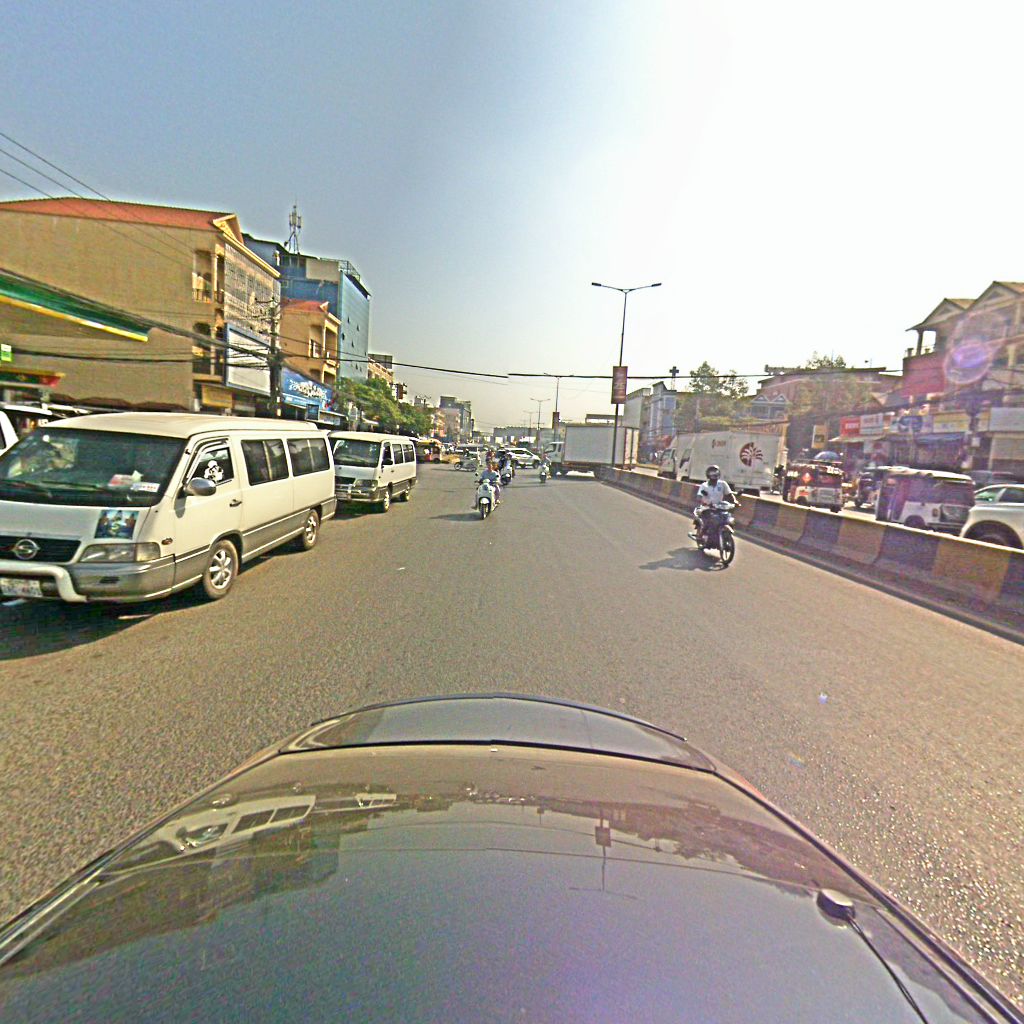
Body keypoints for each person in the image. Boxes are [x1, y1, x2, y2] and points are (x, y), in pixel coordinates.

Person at [693, 464, 736, 544]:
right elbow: (699, 496)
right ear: (708, 475)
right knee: (708, 521)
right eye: (712, 474)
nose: (714, 476)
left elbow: (729, 494)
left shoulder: (723, 484)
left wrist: (735, 502)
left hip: (719, 507)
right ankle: (701, 536)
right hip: (707, 507)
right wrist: (705, 502)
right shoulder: (704, 486)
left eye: (715, 474)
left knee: (728, 519)